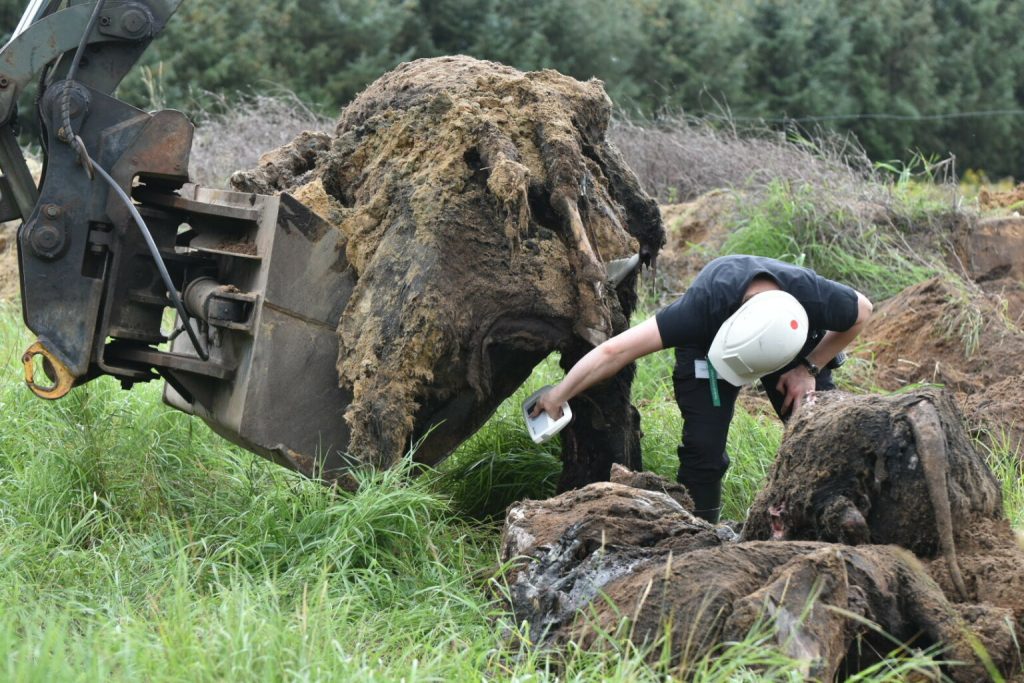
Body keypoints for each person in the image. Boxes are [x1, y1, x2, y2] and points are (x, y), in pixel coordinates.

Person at [531, 254, 873, 523]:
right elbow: (614, 352)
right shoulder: (698, 312)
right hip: (711, 354)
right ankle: (701, 532)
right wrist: (558, 395)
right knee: (703, 450)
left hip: (794, 344)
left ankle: (846, 515)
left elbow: (863, 310)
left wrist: (809, 367)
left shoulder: (814, 296)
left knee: (818, 432)